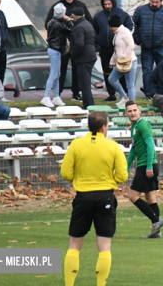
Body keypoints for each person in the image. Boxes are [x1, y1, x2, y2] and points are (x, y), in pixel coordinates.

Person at [60, 111, 128, 286]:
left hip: (83, 198)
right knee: (104, 247)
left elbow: (66, 173)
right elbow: (122, 176)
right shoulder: (113, 147)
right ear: (104, 127)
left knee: (74, 245)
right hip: (105, 196)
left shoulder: (76, 145)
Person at [124, 102, 163, 239]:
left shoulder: (142, 124)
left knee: (132, 196)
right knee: (150, 198)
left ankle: (156, 221)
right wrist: (127, 166)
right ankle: (156, 232)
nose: (132, 113)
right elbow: (133, 149)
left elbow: (150, 145)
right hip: (146, 165)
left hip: (147, 166)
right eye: (129, 111)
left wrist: (148, 166)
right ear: (126, 114)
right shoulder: (134, 127)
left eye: (135, 110)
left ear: (140, 111)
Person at [45, 0, 92, 100]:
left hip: (77, 42)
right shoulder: (57, 7)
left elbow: (89, 22)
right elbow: (48, 24)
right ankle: (58, 93)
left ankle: (76, 92)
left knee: (77, 68)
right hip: (62, 44)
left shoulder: (81, 6)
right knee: (61, 69)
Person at [133, 0, 163, 99]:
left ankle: (162, 92)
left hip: (161, 46)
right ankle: (148, 93)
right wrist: (138, 40)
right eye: (152, 2)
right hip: (146, 47)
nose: (154, 4)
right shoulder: (141, 11)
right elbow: (135, 26)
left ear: (160, 2)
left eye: (156, 2)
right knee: (147, 71)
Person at [93, 0, 134, 102]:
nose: (107, 6)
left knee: (122, 70)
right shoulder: (99, 16)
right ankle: (111, 94)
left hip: (119, 48)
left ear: (113, 3)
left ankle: (124, 93)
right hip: (104, 48)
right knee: (107, 71)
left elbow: (130, 26)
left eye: (109, 4)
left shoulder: (122, 14)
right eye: (105, 4)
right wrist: (98, 39)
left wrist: (124, 36)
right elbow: (94, 29)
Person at [42, 3, 73, 108]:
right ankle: (46, 96)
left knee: (58, 74)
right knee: (54, 74)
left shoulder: (51, 22)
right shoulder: (59, 25)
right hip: (55, 50)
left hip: (54, 49)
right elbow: (71, 30)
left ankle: (56, 96)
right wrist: (69, 20)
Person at [69, 7, 97, 109]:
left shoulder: (78, 27)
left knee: (84, 84)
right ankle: (90, 104)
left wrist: (73, 54)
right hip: (91, 56)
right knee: (86, 83)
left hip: (83, 58)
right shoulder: (88, 24)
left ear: (74, 17)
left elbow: (79, 44)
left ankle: (88, 105)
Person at [107, 15, 137, 108]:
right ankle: (125, 97)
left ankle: (132, 105)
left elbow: (131, 45)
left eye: (111, 26)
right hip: (120, 63)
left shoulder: (125, 32)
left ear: (115, 25)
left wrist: (125, 56)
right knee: (111, 79)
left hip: (129, 62)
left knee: (130, 85)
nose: (110, 28)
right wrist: (112, 61)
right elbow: (117, 49)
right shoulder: (117, 33)